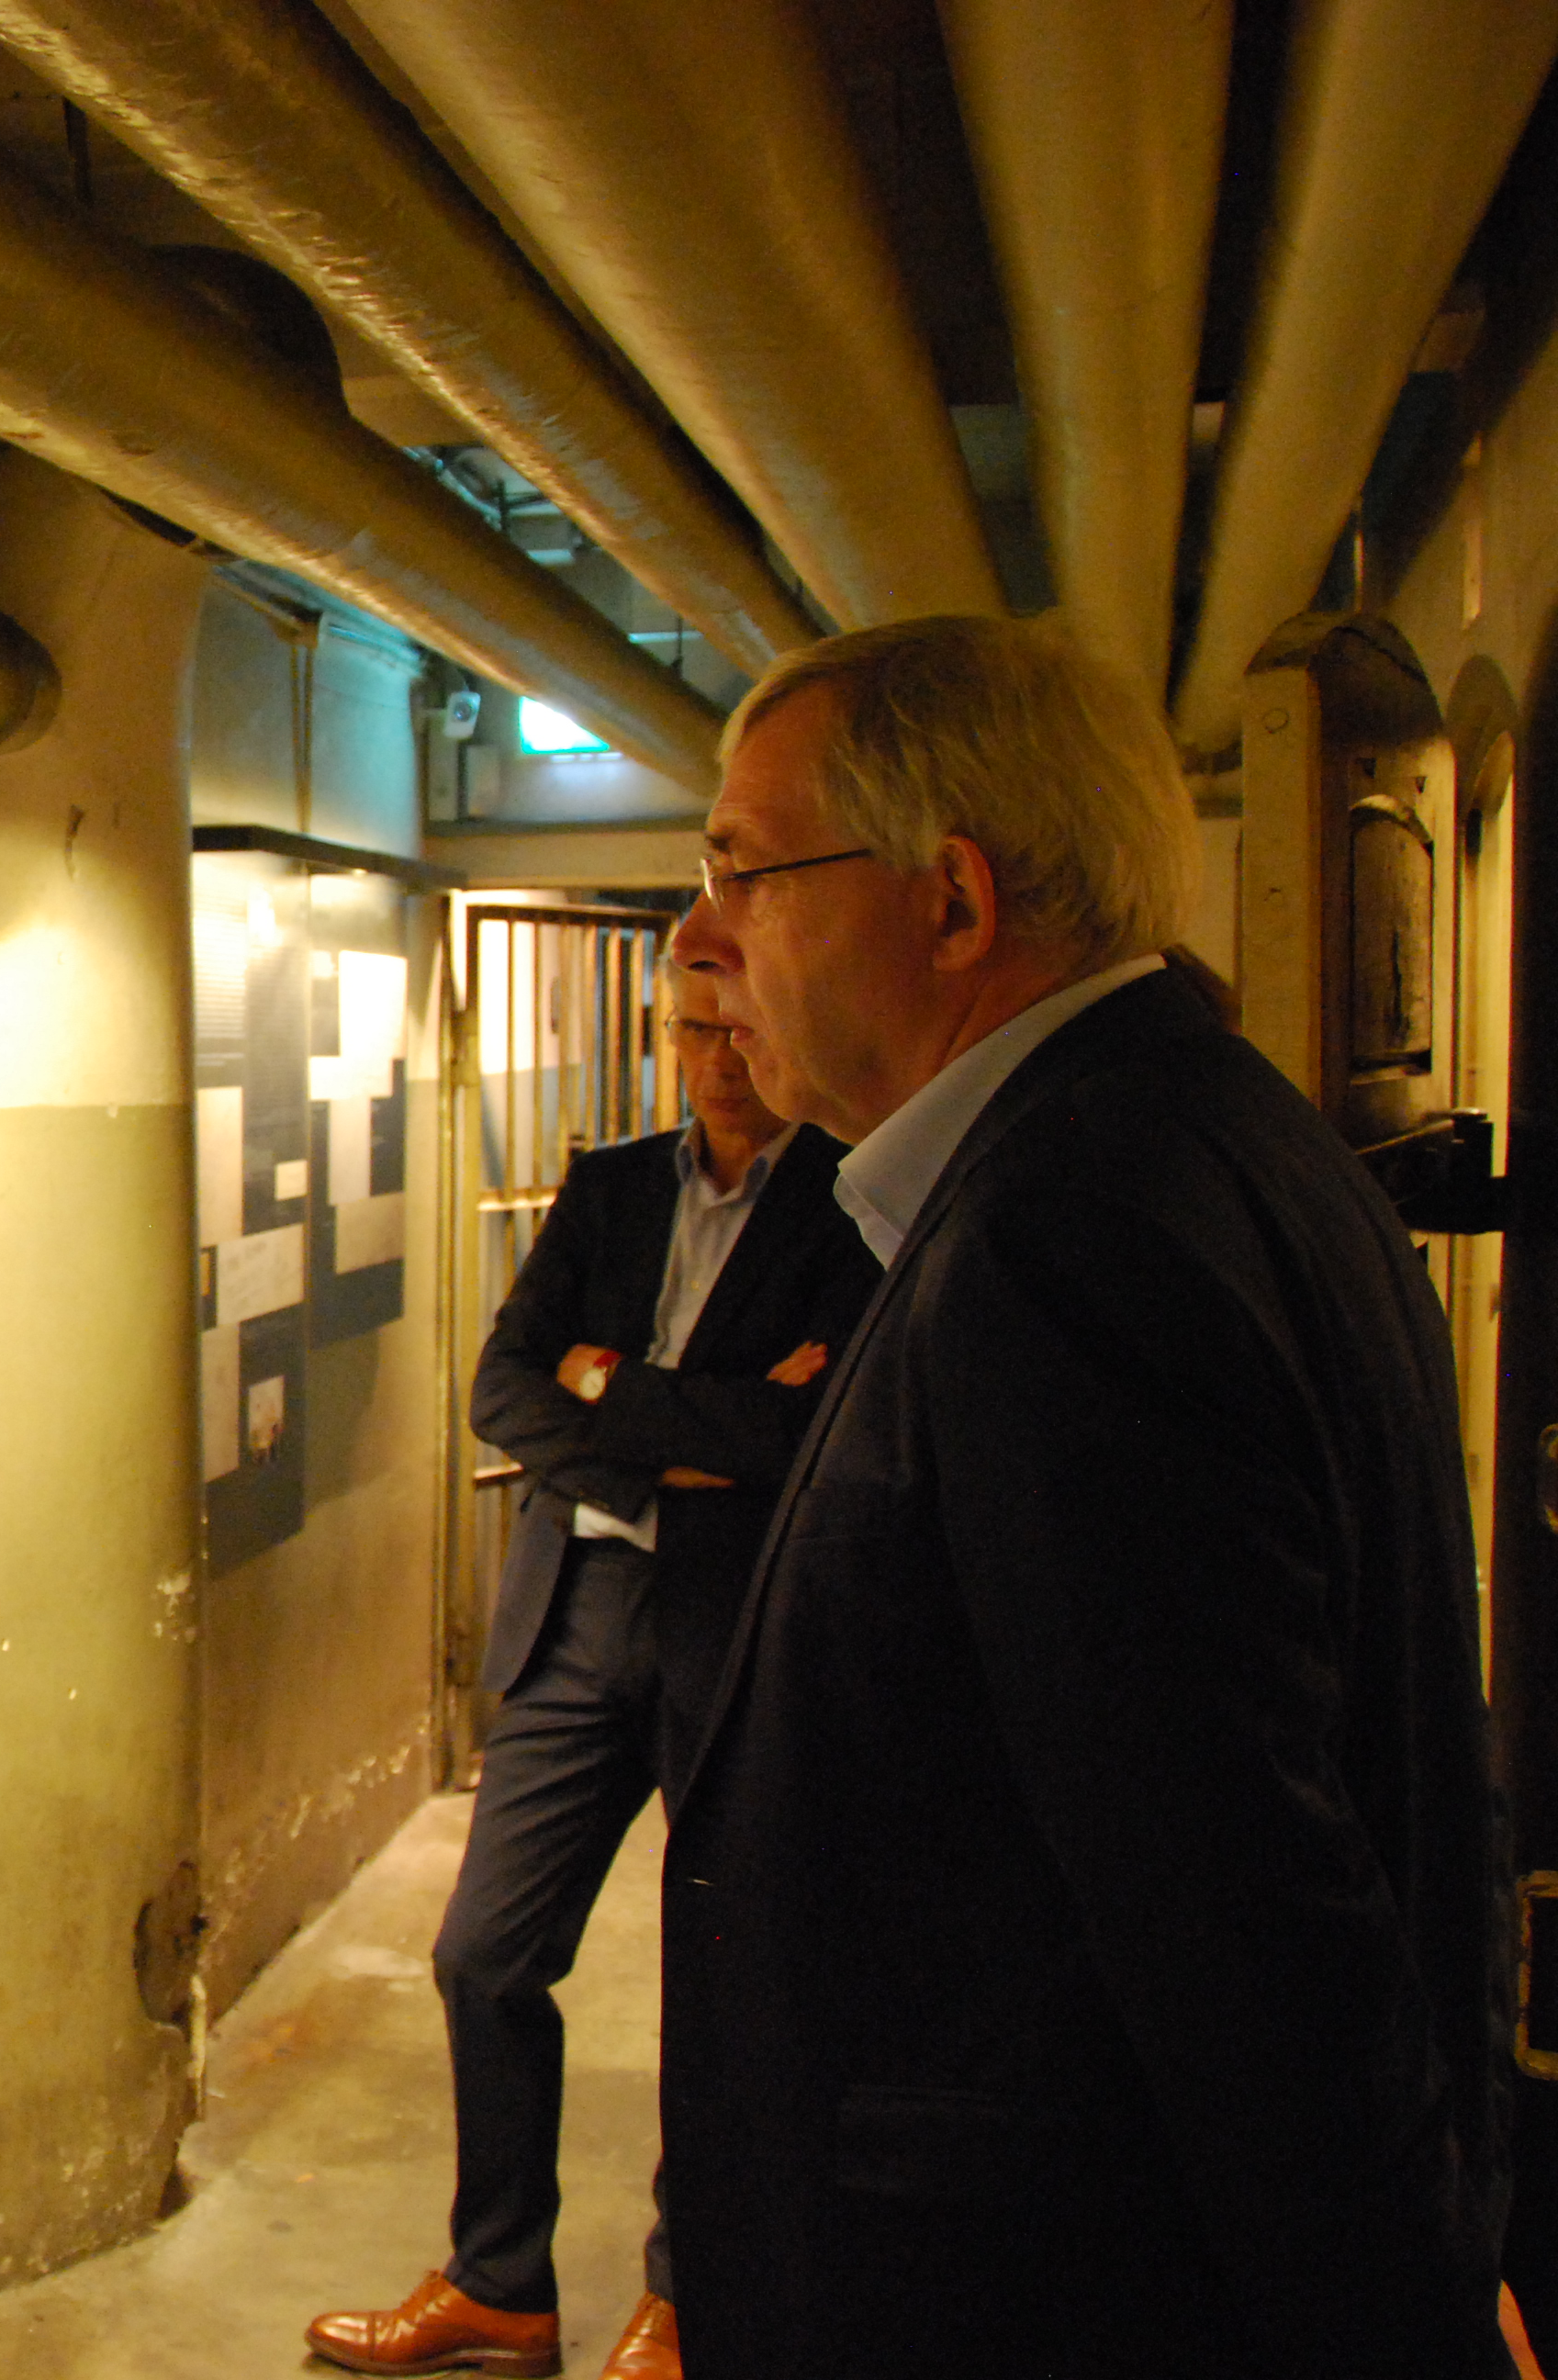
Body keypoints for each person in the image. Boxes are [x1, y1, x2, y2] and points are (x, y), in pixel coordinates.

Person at [656, 613, 1512, 2378]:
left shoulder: (1069, 1239)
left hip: (1041, 2298)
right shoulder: (1205, 1137)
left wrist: (1405, 2314)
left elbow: (1245, 1908)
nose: (700, 939)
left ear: (953, 904)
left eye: (746, 870)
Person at [310, 973, 877, 2380]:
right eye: (697, 1027)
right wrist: (684, 1437)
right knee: (484, 1954)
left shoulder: (855, 1199)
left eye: (746, 1022)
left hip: (735, 1625)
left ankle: (692, 2299)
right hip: (577, 1613)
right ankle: (500, 2282)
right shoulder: (612, 1186)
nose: (722, 1054)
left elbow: (817, 1425)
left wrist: (608, 1393)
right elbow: (504, 1388)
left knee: (725, 1973)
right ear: (667, 1036)